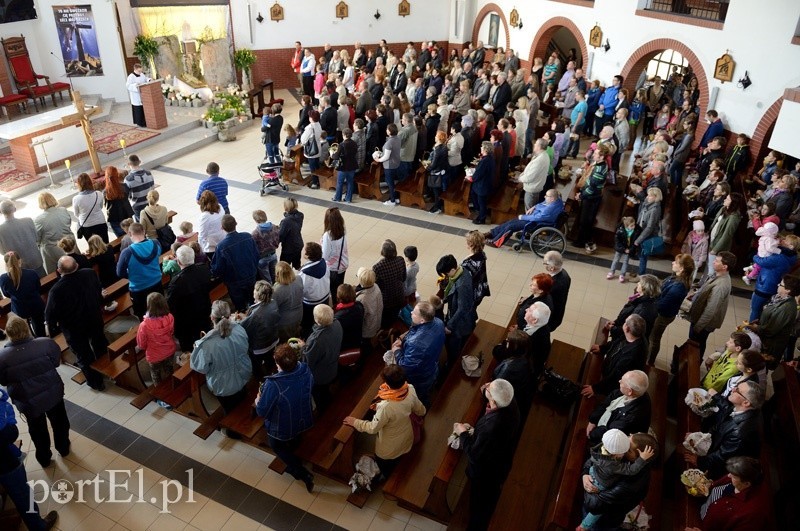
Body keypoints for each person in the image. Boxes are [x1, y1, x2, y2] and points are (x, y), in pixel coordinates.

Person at [0, 314, 70, 468]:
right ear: (26, 329)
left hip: (28, 400)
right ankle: (64, 448)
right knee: (60, 423)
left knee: (38, 432)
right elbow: (55, 363)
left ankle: (44, 458)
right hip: (53, 393)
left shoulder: (3, 357)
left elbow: (3, 380)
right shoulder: (46, 343)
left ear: (9, 334)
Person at [454, 379, 520, 531]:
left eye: (489, 388)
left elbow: (475, 456)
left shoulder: (492, 427)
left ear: (494, 402)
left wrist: (463, 433)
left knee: (479, 506)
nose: (487, 386)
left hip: (487, 473)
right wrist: (486, 392)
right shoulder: (510, 401)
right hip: (501, 456)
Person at [343, 365, 426, 478]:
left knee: (385, 464)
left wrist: (355, 422)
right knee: (399, 457)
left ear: (387, 383)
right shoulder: (409, 388)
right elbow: (420, 409)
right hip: (407, 437)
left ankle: (386, 476)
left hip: (389, 447)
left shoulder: (386, 406)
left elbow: (373, 428)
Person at [255, 344, 315, 493]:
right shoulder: (304, 369)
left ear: (278, 365)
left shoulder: (274, 384)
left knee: (277, 446)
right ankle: (294, 450)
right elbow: (311, 385)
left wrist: (258, 401)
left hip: (283, 424)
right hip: (303, 414)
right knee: (295, 437)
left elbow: (262, 411)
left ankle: (301, 472)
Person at [0, 384, 59, 529]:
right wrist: (8, 418)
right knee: (22, 495)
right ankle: (38, 526)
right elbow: (9, 434)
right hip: (4, 462)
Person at [191, 300, 252, 436]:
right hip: (244, 373)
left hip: (224, 385)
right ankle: (243, 417)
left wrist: (197, 349)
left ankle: (234, 432)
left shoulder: (207, 344)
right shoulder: (240, 329)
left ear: (212, 317)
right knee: (241, 397)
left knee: (230, 408)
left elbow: (201, 368)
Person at [45, 256, 106, 390]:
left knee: (84, 355)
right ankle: (106, 368)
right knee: (100, 343)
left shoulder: (56, 290)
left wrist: (54, 328)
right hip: (94, 318)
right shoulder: (89, 273)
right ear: (77, 266)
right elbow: (98, 290)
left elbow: (50, 315)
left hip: (74, 328)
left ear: (59, 270)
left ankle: (96, 382)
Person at [682, 380, 763, 480]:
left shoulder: (739, 434)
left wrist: (699, 461)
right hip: (718, 445)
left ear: (746, 402)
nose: (733, 389)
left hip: (724, 467)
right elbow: (724, 414)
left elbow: (721, 457)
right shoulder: (742, 409)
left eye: (737, 390)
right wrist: (700, 437)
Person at [578, 428, 655, 531]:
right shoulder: (617, 449)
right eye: (627, 439)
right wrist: (585, 474)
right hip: (594, 493)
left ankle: (584, 526)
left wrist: (589, 489)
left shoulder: (632, 482)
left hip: (604, 518)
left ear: (638, 457)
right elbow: (591, 461)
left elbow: (595, 505)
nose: (623, 448)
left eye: (628, 449)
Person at [684, 456, 773, 531]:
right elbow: (723, 480)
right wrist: (708, 486)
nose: (729, 476)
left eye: (733, 476)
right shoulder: (746, 477)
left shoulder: (753, 516)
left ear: (746, 483)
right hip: (708, 504)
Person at [391, 301, 445, 407]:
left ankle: (421, 408)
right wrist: (403, 338)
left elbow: (405, 366)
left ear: (422, 320)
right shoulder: (438, 322)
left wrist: (396, 351)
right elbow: (416, 330)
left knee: (420, 396)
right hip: (433, 365)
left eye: (414, 313)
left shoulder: (416, 344)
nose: (411, 313)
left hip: (421, 377)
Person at [583, 314, 648, 398]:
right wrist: (602, 348)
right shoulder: (633, 335)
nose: (623, 324)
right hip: (610, 368)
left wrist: (595, 389)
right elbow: (616, 343)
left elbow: (615, 377)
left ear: (627, 328)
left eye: (625, 323)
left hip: (615, 384)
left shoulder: (630, 356)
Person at [648, 254, 694, 364]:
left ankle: (649, 361)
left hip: (662, 315)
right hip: (663, 312)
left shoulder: (678, 287)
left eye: (676, 262)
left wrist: (649, 302)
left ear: (682, 268)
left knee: (654, 339)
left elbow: (663, 304)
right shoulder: (675, 277)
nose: (672, 263)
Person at [688, 252, 736, 357]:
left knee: (696, 344)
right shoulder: (718, 275)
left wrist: (698, 327)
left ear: (724, 266)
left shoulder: (721, 285)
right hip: (701, 319)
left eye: (717, 261)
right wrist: (697, 295)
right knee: (698, 343)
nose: (713, 262)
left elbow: (711, 309)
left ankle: (692, 365)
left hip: (704, 323)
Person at [586, 370, 651, 445]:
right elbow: (605, 404)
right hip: (604, 425)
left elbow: (609, 432)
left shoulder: (631, 417)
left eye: (622, 381)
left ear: (629, 391)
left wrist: (591, 435)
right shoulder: (635, 392)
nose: (619, 381)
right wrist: (593, 420)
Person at [166, 245, 211, 352]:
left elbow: (171, 305)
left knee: (189, 349)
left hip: (186, 322)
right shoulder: (203, 268)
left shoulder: (176, 283)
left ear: (179, 262)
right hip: (204, 311)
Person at [212, 215, 260, 312]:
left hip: (234, 283)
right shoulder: (248, 236)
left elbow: (218, 269)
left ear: (222, 228)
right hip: (251, 276)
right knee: (254, 300)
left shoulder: (221, 247)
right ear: (236, 224)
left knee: (240, 306)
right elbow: (257, 255)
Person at [747, 274, 800, 361]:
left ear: (788, 290)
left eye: (781, 284)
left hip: (770, 345)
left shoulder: (786, 307)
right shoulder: (779, 299)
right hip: (765, 339)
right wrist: (759, 321)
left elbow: (771, 330)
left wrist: (756, 328)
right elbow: (771, 315)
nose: (778, 285)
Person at [116, 222, 163, 320]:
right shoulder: (156, 244)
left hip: (139, 289)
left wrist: (131, 275)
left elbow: (120, 273)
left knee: (143, 315)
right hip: (157, 283)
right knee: (160, 309)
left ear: (130, 234)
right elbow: (158, 254)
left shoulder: (127, 253)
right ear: (144, 231)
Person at [136, 293, 175, 408]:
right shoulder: (170, 317)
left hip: (154, 356)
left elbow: (141, 345)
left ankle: (162, 398)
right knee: (169, 371)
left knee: (156, 376)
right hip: (169, 350)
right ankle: (172, 390)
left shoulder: (144, 325)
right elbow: (171, 332)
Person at [299, 304, 342, 408]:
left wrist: (303, 347)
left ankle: (324, 409)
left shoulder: (316, 340)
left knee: (320, 395)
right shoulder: (337, 323)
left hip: (320, 375)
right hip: (333, 366)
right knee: (325, 390)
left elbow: (307, 361)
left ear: (316, 320)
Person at [438, 254, 477, 369]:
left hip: (461, 323)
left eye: (446, 273)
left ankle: (452, 364)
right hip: (455, 314)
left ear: (453, 269)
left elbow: (463, 308)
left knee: (454, 346)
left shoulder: (463, 284)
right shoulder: (459, 272)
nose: (446, 276)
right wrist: (443, 300)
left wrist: (450, 326)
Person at [574, 144, 611, 253]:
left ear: (601, 157)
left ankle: (582, 241)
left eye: (596, 153)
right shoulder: (599, 164)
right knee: (584, 219)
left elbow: (592, 188)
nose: (593, 154)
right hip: (590, 195)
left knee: (585, 221)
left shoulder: (600, 170)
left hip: (591, 198)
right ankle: (581, 239)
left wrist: (581, 195)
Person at [239, 280, 280, 378]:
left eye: (254, 289)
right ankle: (270, 370)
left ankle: (260, 378)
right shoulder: (273, 303)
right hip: (273, 339)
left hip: (260, 347)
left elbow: (244, 329)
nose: (253, 291)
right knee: (270, 359)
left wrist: (238, 320)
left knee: (256, 364)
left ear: (258, 294)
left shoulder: (255, 312)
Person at [0, 252, 46, 337]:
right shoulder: (32, 273)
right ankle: (41, 337)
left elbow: (6, 294)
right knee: (39, 325)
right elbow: (37, 287)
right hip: (36, 305)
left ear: (6, 264)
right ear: (20, 261)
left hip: (20, 308)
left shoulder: (3, 278)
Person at [34, 192, 72, 274]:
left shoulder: (39, 219)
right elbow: (69, 224)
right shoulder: (63, 210)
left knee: (42, 248)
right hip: (69, 243)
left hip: (53, 249)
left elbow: (37, 238)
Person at [373, 239, 407, 328]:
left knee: (384, 321)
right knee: (394, 317)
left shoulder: (378, 267)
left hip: (386, 299)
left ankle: (385, 334)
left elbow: (376, 286)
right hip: (399, 295)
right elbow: (404, 278)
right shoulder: (400, 260)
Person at [321, 207, 348, 305]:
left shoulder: (328, 235)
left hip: (333, 268)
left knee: (332, 289)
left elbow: (325, 256)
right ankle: (340, 303)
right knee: (339, 287)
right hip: (343, 264)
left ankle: (335, 306)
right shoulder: (343, 230)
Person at [71, 173, 108, 243]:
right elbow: (100, 207)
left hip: (86, 226)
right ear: (90, 182)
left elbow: (76, 214)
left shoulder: (76, 199)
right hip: (100, 222)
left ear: (79, 184)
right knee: (105, 243)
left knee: (93, 248)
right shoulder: (98, 194)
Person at [273, 261, 304, 342]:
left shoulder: (277, 290)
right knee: (295, 334)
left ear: (278, 274)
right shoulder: (299, 279)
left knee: (285, 341)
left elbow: (273, 307)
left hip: (285, 321)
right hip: (299, 314)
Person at [373, 122, 402, 205]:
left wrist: (378, 159)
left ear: (389, 131)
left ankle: (392, 200)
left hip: (389, 165)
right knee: (393, 182)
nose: (386, 130)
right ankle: (396, 198)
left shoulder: (389, 142)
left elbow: (386, 157)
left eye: (387, 129)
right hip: (396, 163)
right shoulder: (398, 139)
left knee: (390, 183)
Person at [543, 251, 571, 331]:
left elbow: (545, 301)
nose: (543, 264)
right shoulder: (564, 273)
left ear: (552, 268)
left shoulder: (554, 285)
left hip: (549, 320)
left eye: (545, 263)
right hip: (557, 315)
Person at [103, 166, 134, 238]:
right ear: (117, 175)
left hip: (114, 218)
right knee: (132, 235)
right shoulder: (124, 186)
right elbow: (128, 196)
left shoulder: (105, 192)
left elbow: (106, 205)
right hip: (126, 214)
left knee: (121, 239)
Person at [607, 216, 641, 283]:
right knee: (616, 260)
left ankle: (622, 274)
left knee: (625, 262)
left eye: (634, 225)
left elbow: (635, 242)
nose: (634, 227)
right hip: (620, 248)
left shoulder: (636, 231)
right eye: (631, 226)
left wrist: (630, 249)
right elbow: (617, 242)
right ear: (626, 226)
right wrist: (623, 249)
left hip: (628, 249)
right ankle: (611, 272)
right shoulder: (620, 231)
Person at [357, 267, 383, 346]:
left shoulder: (362, 299)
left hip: (368, 328)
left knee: (366, 344)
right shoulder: (376, 286)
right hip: (377, 321)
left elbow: (361, 316)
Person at [251, 210, 280, 284]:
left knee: (267, 279)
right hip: (273, 255)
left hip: (262, 259)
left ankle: (270, 293)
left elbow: (252, 247)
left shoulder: (255, 233)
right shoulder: (274, 227)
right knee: (275, 276)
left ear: (255, 220)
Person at [123, 154, 155, 221]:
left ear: (129, 164)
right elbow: (153, 189)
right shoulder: (149, 174)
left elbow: (127, 196)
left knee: (141, 227)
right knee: (152, 223)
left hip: (137, 206)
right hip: (150, 203)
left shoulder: (128, 179)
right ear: (139, 162)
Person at [331, 128, 359, 203]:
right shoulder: (354, 143)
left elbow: (336, 157)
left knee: (340, 182)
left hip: (343, 167)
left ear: (344, 135)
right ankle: (348, 198)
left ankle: (337, 198)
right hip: (352, 165)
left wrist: (332, 154)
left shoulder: (342, 145)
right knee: (350, 182)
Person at [334, 284, 364, 351]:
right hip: (357, 339)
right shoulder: (359, 305)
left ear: (339, 297)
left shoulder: (338, 317)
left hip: (344, 345)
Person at [197, 190, 226, 259]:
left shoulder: (205, 216)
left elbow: (202, 235)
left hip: (211, 247)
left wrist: (201, 250)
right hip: (222, 239)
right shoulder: (220, 207)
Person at [279, 198, 304, 269]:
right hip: (298, 244)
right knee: (297, 264)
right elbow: (292, 222)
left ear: (286, 207)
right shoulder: (300, 215)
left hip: (288, 248)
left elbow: (281, 236)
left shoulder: (285, 221)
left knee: (283, 267)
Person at [126, 63, 150, 127]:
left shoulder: (141, 74)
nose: (140, 72)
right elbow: (128, 86)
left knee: (143, 109)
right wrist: (135, 85)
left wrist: (149, 80)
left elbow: (145, 79)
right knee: (138, 110)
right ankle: (140, 123)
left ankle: (146, 121)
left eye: (141, 71)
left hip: (143, 94)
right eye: (139, 71)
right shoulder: (131, 76)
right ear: (135, 69)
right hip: (136, 96)